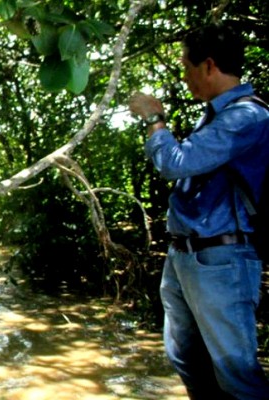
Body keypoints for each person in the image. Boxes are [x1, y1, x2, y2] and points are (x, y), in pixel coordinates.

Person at [129, 23, 269, 399]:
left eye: (187, 67)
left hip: (221, 258)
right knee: (185, 356)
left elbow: (175, 162)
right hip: (185, 255)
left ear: (208, 66)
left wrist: (152, 118)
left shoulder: (246, 118)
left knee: (236, 373)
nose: (185, 77)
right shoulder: (215, 115)